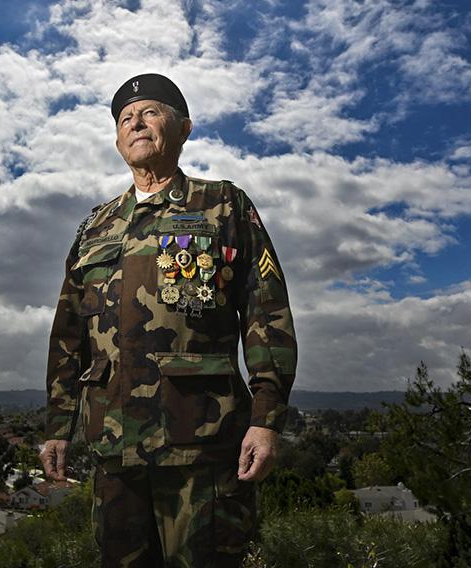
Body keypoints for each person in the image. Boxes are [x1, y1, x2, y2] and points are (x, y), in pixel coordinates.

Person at [40, 73, 297, 567]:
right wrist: (58, 426)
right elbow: (68, 334)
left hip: (200, 444)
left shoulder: (223, 204)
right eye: (125, 118)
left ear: (184, 129)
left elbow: (266, 313)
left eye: (150, 112)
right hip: (114, 449)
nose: (135, 122)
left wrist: (266, 419)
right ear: (118, 139)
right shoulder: (96, 226)